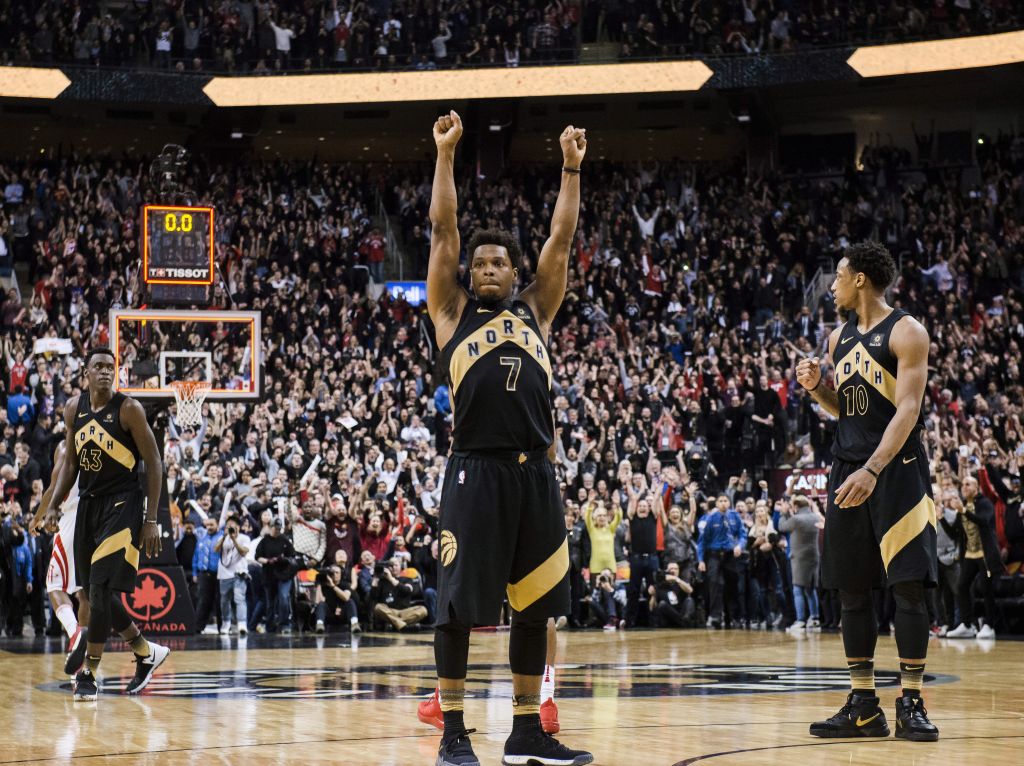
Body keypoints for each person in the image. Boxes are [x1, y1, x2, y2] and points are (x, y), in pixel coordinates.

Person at [425, 109, 592, 766]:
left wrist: (571, 167)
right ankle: (454, 731)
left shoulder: (536, 311)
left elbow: (560, 238)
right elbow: (443, 231)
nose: (488, 268)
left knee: (535, 609)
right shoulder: (451, 313)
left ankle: (526, 731)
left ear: (514, 274)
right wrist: (445, 154)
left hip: (534, 476)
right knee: (458, 607)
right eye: (480, 262)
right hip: (474, 472)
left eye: (499, 262)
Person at [797, 242, 938, 742]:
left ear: (860, 279)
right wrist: (819, 390)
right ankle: (863, 706)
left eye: (838, 275)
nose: (831, 284)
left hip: (895, 471)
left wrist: (874, 469)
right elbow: (849, 411)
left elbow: (907, 410)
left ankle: (912, 701)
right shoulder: (836, 340)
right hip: (847, 468)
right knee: (851, 590)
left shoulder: (907, 331)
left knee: (907, 587)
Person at [37, 348, 169, 701]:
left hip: (123, 506)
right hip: (88, 508)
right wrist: (52, 505)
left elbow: (154, 463)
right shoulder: (73, 409)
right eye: (99, 367)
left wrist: (151, 518)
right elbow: (70, 465)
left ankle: (90, 673)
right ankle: (144, 651)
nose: (106, 373)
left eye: (111, 368)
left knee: (97, 590)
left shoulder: (129, 409)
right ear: (86, 372)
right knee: (98, 593)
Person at [30, 440, 90, 675]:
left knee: (54, 584)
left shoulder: (66, 447)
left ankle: (75, 632)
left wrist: (38, 517)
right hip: (96, 520)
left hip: (70, 519)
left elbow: (55, 488)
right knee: (83, 591)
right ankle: (83, 666)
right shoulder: (99, 444)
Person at [944, 476, 1001, 639]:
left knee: (986, 589)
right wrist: (941, 518)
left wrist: (963, 511)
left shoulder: (984, 503)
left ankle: (990, 625)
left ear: (976, 487)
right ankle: (967, 624)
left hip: (985, 554)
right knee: (962, 587)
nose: (964, 487)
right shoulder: (962, 506)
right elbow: (954, 533)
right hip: (969, 554)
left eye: (968, 484)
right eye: (963, 485)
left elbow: (984, 521)